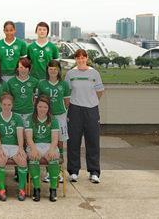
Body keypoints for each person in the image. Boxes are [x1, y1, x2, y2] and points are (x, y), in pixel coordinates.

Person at [65, 49, 104, 184]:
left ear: (87, 58)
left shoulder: (94, 73)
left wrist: (91, 101)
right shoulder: (70, 73)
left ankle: (94, 172)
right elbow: (67, 93)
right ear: (75, 59)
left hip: (91, 110)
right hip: (75, 109)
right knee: (73, 141)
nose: (81, 60)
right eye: (78, 58)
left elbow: (99, 91)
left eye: (83, 57)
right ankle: (73, 171)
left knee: (93, 141)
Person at [37, 59, 70, 183]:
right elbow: (38, 101)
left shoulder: (64, 84)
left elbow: (67, 102)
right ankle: (48, 171)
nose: (53, 71)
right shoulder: (42, 84)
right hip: (46, 116)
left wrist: (61, 111)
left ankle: (59, 170)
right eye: (50, 69)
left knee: (60, 142)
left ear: (59, 70)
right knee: (47, 142)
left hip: (59, 115)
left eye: (55, 69)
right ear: (47, 70)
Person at [25, 95, 61, 202]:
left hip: (49, 145)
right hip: (34, 144)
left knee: (53, 156)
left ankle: (53, 189)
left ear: (48, 108)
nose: (42, 109)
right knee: (33, 156)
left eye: (45, 107)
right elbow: (29, 138)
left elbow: (55, 139)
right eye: (40, 106)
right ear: (36, 106)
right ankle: (37, 189)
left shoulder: (53, 120)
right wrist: (34, 149)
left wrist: (51, 149)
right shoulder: (30, 118)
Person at [7, 58, 38, 122]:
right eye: (21, 67)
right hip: (15, 113)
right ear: (17, 69)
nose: (23, 70)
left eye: (26, 68)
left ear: (29, 69)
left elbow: (37, 97)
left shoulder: (35, 81)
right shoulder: (11, 82)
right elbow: (8, 99)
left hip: (29, 113)